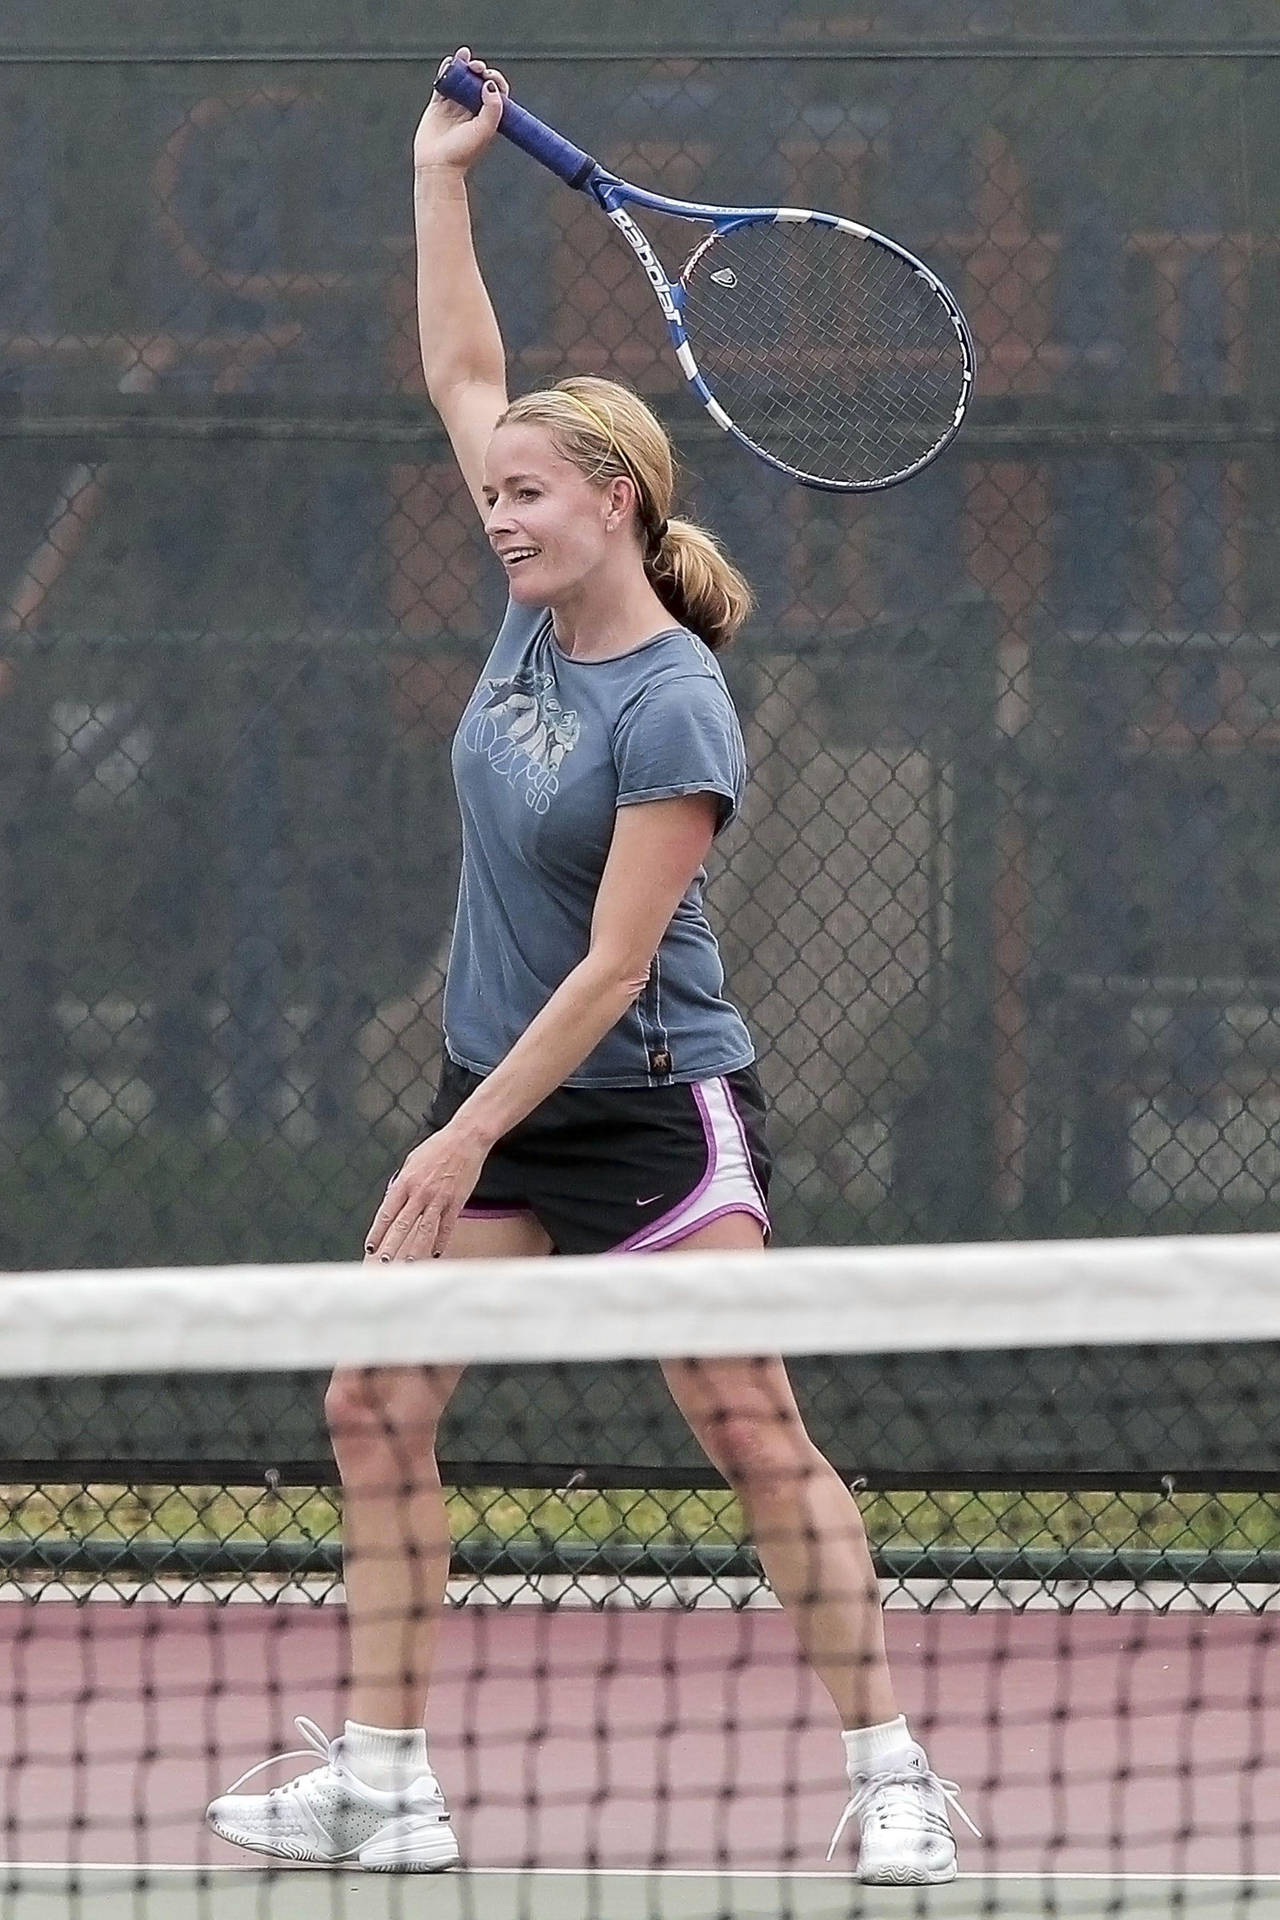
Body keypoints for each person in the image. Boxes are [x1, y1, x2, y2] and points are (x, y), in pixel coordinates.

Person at [206, 48, 974, 1885]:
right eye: (493, 498)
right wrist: (443, 179)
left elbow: (621, 971)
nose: (499, 511)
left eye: (530, 497)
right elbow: (464, 370)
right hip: (498, 1093)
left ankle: (894, 1775)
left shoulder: (673, 702)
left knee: (748, 1422)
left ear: (615, 500)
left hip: (645, 1106)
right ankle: (388, 1785)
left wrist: (460, 1138)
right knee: (373, 1401)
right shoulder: (527, 616)